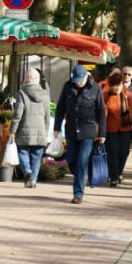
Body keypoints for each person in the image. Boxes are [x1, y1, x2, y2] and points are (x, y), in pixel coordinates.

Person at [54, 65, 106, 204]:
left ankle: (78, 194)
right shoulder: (68, 86)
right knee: (71, 160)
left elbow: (101, 112)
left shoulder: (95, 88)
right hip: (71, 129)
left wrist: (102, 133)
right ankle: (81, 174)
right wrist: (56, 127)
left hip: (87, 131)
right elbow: (60, 108)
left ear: (86, 76)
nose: (77, 82)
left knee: (81, 162)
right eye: (75, 80)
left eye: (79, 80)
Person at [10, 69, 50, 188]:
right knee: (36, 157)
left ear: (26, 79)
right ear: (37, 80)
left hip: (24, 130)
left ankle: (27, 171)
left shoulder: (22, 93)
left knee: (22, 151)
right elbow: (47, 116)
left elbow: (18, 114)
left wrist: (12, 130)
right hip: (40, 131)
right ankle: (33, 181)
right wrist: (46, 131)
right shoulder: (45, 95)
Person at [104, 73, 132, 186]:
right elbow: (102, 113)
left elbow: (131, 110)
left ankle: (119, 173)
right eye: (115, 85)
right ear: (111, 85)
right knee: (112, 153)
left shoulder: (126, 94)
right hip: (111, 128)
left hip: (125, 127)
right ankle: (113, 176)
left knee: (124, 152)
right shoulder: (106, 95)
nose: (117, 88)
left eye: (119, 85)